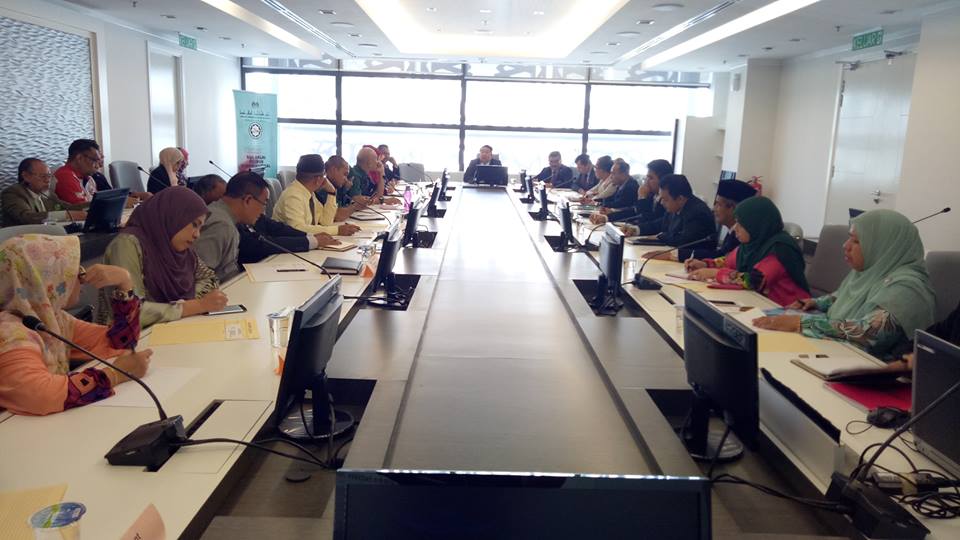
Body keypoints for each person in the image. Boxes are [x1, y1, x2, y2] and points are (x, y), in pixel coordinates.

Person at [753, 209, 936, 359]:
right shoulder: (871, 272)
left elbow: (868, 333)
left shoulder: (908, 289)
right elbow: (842, 295)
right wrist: (817, 303)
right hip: (839, 354)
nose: (845, 245)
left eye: (856, 241)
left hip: (874, 372)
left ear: (884, 246)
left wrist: (799, 323)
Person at [0, 234, 151, 416]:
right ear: (46, 281)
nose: (82, 279)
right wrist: (115, 375)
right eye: (74, 272)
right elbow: (41, 396)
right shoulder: (9, 333)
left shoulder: (51, 319)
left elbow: (119, 343)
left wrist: (124, 283)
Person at [101, 187, 227, 327]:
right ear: (174, 216)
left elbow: (209, 278)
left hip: (169, 329)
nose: (197, 234)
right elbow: (129, 311)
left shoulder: (180, 251)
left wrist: (184, 304)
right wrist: (193, 306)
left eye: (200, 228)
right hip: (128, 336)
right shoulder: (127, 245)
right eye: (194, 225)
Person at [686, 197, 810, 306]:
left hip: (789, 310)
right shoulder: (750, 246)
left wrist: (714, 273)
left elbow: (754, 281)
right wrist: (705, 264)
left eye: (741, 224)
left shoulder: (779, 249)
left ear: (755, 225)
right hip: (758, 304)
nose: (735, 228)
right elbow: (728, 261)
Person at [194, 172, 272, 281]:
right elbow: (198, 278)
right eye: (264, 203)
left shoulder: (224, 215)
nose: (263, 211)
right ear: (248, 200)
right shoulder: (221, 225)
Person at [274, 154, 361, 237]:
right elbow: (298, 229)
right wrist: (337, 230)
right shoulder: (293, 196)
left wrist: (332, 192)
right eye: (323, 176)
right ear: (318, 179)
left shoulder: (310, 194)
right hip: (285, 245)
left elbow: (326, 222)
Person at [631, 174, 715, 260]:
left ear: (680, 199)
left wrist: (660, 236)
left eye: (665, 199)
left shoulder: (698, 212)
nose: (661, 202)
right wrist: (635, 229)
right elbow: (659, 224)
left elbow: (682, 241)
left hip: (693, 262)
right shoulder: (676, 207)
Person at [683, 179, 757, 264]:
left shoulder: (740, 237)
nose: (714, 209)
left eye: (718, 204)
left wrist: (679, 254)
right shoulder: (731, 232)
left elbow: (720, 256)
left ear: (733, 208)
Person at [2, 158, 88, 226]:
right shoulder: (13, 193)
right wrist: (65, 215)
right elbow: (27, 217)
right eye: (43, 176)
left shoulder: (47, 193)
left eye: (49, 176)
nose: (47, 180)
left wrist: (92, 204)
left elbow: (68, 208)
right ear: (26, 176)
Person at [591, 159, 672, 224]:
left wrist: (642, 197)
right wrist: (606, 218)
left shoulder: (668, 200)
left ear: (663, 180)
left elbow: (645, 219)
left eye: (650, 178)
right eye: (646, 177)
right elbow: (633, 211)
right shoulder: (652, 195)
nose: (646, 181)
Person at [54, 139, 102, 204]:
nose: (97, 166)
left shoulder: (88, 178)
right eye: (94, 160)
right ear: (79, 158)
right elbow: (81, 208)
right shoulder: (65, 177)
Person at [327, 155, 366, 221]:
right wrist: (356, 206)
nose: (346, 180)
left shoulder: (337, 187)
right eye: (345, 174)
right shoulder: (324, 188)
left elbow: (342, 207)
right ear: (334, 170)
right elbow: (336, 215)